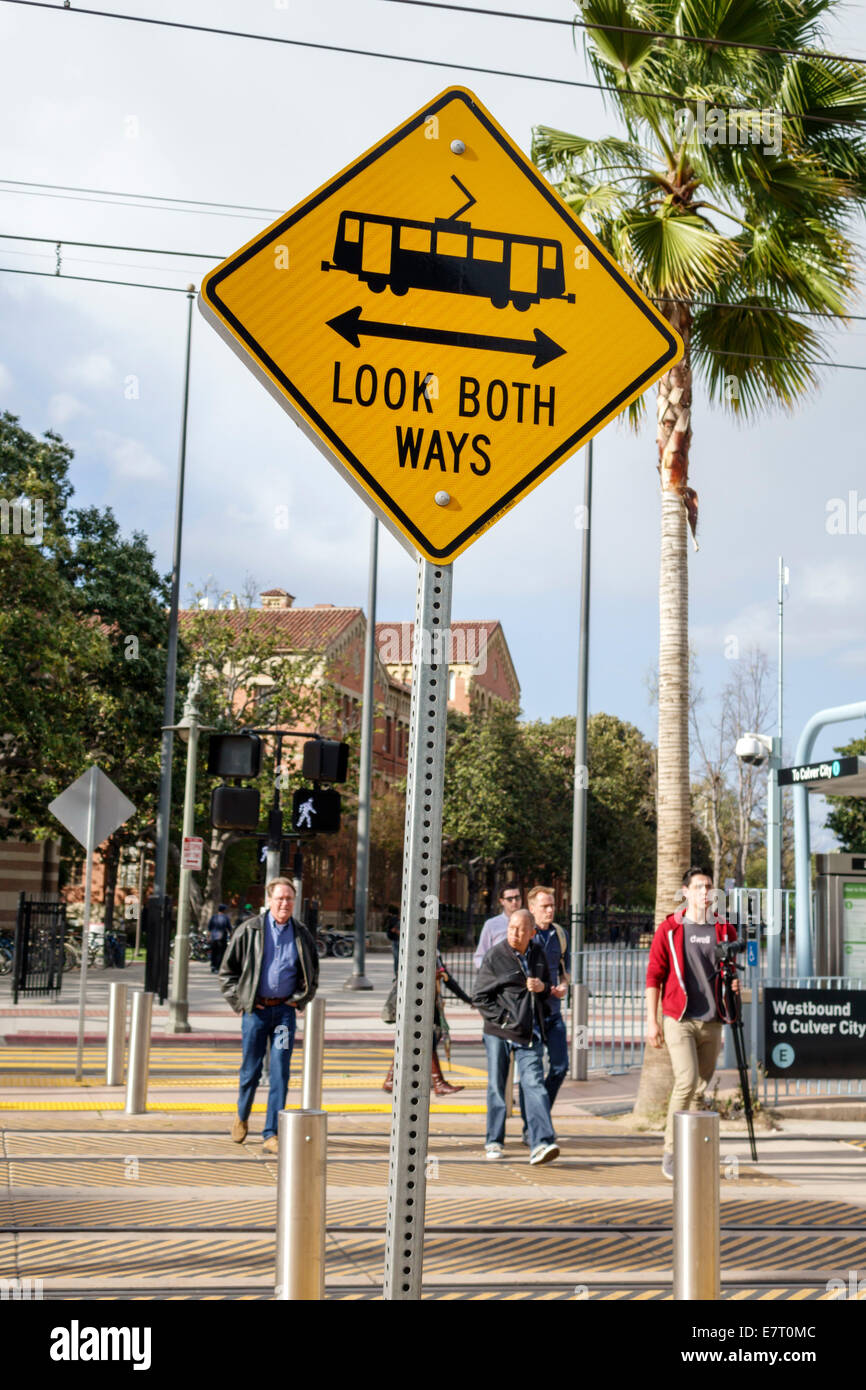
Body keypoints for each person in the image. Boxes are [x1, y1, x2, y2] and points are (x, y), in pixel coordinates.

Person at [646, 866, 739, 1180]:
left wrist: (734, 985)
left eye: (708, 887)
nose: (705, 892)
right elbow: (654, 977)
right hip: (679, 1017)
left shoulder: (724, 929)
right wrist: (652, 1021)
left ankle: (693, 1151)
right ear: (685, 892)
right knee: (687, 1081)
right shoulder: (670, 928)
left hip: (712, 1018)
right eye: (698, 886)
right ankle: (671, 1151)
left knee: (700, 1089)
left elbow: (731, 971)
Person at [219, 878, 319, 1154]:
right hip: (256, 1012)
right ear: (269, 900)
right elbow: (227, 972)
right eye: (280, 898)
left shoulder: (301, 933)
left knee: (280, 1072)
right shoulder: (248, 930)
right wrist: (241, 1002)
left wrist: (298, 1001)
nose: (284, 903)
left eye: (289, 899)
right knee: (250, 1070)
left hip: (284, 1014)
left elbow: (312, 974)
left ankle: (271, 1133)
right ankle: (242, 1115)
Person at [472, 908, 559, 1166]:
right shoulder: (496, 955)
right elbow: (480, 997)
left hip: (528, 1032)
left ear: (532, 932)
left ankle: (541, 1142)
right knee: (497, 1086)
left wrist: (543, 988)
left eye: (521, 929)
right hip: (499, 1031)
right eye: (511, 927)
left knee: (534, 1084)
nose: (514, 933)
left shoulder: (538, 954)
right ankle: (494, 1140)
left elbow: (546, 992)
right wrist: (503, 1020)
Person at [382, 951, 470, 1096]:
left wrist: (467, 999)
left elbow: (449, 980)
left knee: (414, 1041)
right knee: (426, 1040)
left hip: (429, 1003)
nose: (438, 932)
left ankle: (391, 1079)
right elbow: (409, 974)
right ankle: (438, 1083)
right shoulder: (417, 946)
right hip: (417, 1003)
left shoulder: (435, 951)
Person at [525, 886, 570, 1114]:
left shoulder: (560, 934)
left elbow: (565, 970)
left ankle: (540, 1113)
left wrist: (563, 986)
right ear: (532, 908)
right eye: (545, 906)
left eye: (552, 905)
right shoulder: (525, 934)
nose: (550, 910)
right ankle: (533, 1122)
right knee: (532, 1073)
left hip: (553, 1012)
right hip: (530, 1014)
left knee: (561, 1067)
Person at [472, 883, 523, 970]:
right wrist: (489, 972)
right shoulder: (491, 925)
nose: (514, 902)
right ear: (502, 901)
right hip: (499, 976)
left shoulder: (531, 923)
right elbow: (479, 956)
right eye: (510, 899)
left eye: (517, 898)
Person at [206, 903, 232, 973]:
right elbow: (229, 928)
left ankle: (213, 966)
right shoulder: (225, 918)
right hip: (222, 938)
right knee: (220, 953)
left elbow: (209, 928)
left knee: (214, 952)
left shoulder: (213, 917)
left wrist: (208, 937)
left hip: (213, 938)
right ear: (224, 910)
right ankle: (217, 967)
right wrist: (231, 936)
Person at [384, 905, 400, 979]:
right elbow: (393, 929)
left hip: (395, 940)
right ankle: (397, 974)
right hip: (397, 940)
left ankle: (397, 974)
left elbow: (393, 929)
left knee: (396, 959)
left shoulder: (392, 919)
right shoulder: (396, 919)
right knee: (398, 958)